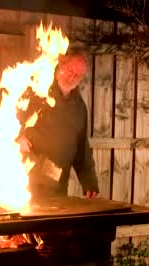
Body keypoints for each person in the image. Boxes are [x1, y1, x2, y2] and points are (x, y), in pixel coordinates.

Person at [17, 48, 99, 200]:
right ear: (61, 63)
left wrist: (89, 181)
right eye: (70, 71)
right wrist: (18, 138)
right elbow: (5, 121)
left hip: (58, 187)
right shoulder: (36, 91)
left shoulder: (79, 107)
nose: (72, 77)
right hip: (25, 183)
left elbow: (81, 147)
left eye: (77, 75)